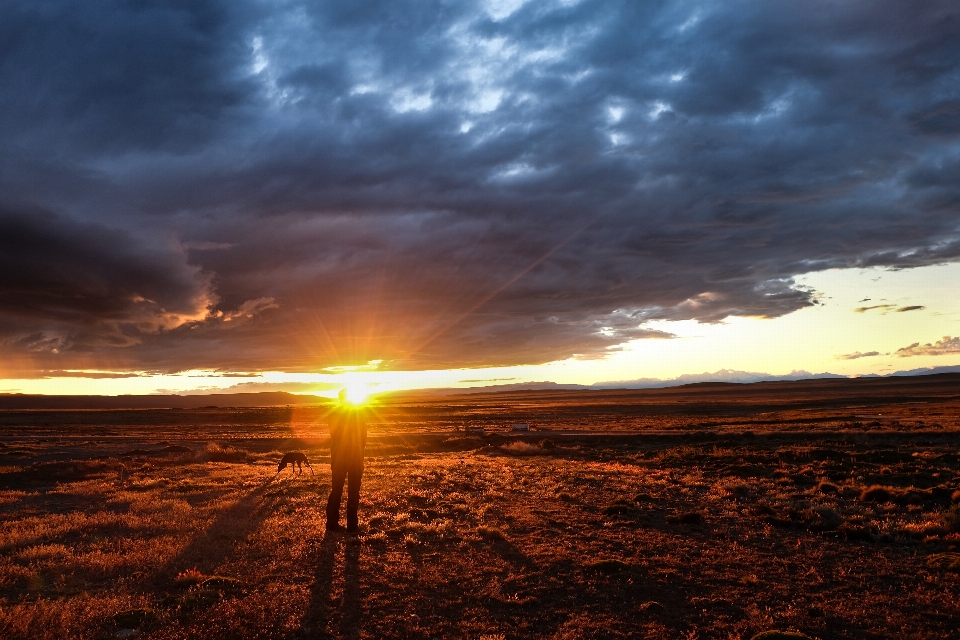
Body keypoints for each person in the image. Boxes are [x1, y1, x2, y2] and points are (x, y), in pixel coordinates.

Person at [325, 388, 367, 532]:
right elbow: (363, 437)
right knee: (353, 492)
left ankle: (332, 523)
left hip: (339, 457)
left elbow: (334, 435)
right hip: (354, 457)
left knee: (337, 490)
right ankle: (352, 525)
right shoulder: (358, 414)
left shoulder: (333, 414)